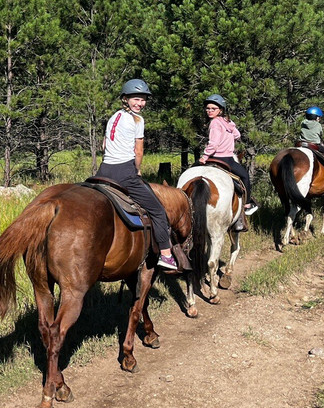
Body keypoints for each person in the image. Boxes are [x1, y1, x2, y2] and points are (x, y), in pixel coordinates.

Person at [94, 79, 182, 271]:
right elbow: (139, 150)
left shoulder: (114, 117)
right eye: (136, 99)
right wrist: (137, 169)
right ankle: (166, 255)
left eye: (143, 100)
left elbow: (104, 145)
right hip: (124, 172)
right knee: (158, 211)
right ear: (125, 99)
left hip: (103, 170)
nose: (140, 103)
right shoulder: (137, 120)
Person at [198, 93, 259, 217]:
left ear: (220, 110)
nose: (209, 111)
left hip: (215, 157)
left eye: (213, 109)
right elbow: (237, 135)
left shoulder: (214, 123)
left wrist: (204, 156)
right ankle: (247, 204)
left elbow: (214, 144)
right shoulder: (227, 122)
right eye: (208, 108)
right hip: (228, 159)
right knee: (245, 176)